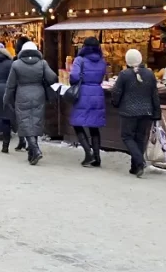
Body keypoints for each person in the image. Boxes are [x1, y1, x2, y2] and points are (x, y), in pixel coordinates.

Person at [4, 41, 57, 165]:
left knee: (25, 122)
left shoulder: (16, 64)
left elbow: (10, 85)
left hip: (22, 94)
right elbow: (52, 77)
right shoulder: (42, 63)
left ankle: (35, 150)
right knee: (36, 121)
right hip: (39, 94)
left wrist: (6, 99)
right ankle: (31, 153)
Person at [111, 48, 161, 177]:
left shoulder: (124, 75)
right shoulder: (149, 74)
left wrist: (115, 103)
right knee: (139, 138)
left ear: (127, 60)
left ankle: (139, 161)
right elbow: (154, 95)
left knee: (127, 137)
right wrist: (156, 112)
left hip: (128, 112)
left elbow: (116, 92)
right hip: (146, 111)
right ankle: (135, 167)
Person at [69, 36, 107, 167]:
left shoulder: (80, 60)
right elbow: (102, 76)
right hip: (97, 92)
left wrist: (77, 80)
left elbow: (74, 76)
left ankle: (88, 153)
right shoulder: (102, 61)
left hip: (83, 93)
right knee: (94, 126)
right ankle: (97, 157)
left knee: (77, 123)